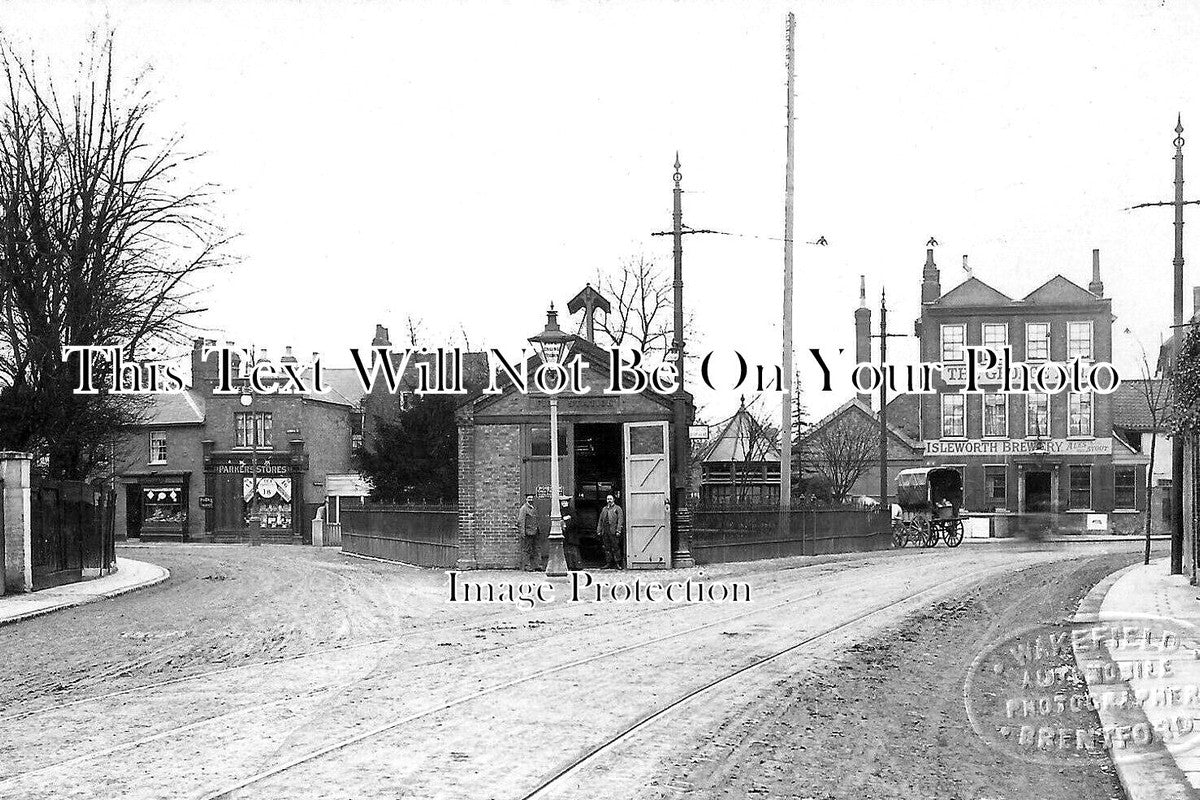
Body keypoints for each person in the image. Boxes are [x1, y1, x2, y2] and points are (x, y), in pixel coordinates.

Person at [596, 494, 624, 569]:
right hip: (605, 531)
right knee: (607, 547)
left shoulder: (617, 508)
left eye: (610, 499)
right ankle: (608, 563)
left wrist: (618, 530)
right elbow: (600, 520)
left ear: (613, 500)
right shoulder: (604, 509)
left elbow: (620, 520)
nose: (609, 500)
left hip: (613, 531)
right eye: (608, 499)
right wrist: (599, 530)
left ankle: (618, 563)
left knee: (615, 547)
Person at [516, 494, 540, 570]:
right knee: (527, 550)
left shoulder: (533, 508)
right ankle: (527, 566)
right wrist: (522, 532)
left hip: (535, 532)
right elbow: (521, 521)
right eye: (529, 498)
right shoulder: (524, 508)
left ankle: (536, 565)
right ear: (526, 499)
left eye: (532, 498)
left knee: (535, 549)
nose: (531, 500)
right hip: (528, 532)